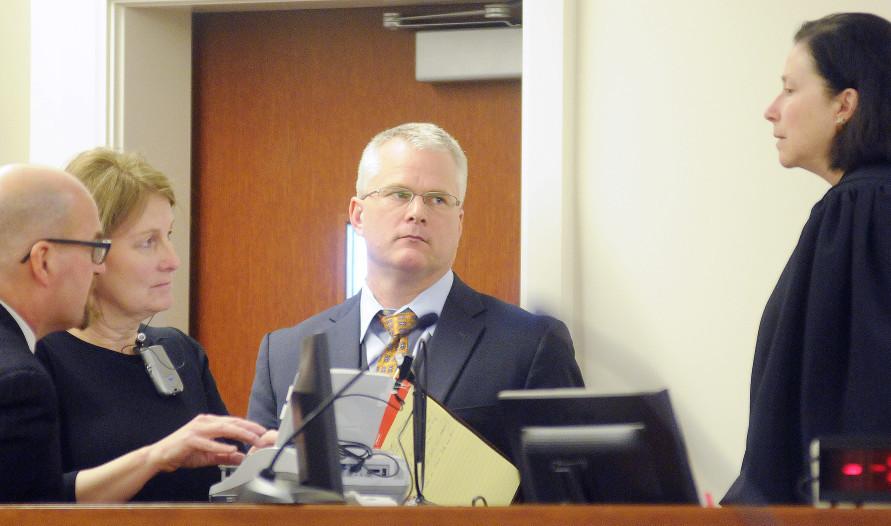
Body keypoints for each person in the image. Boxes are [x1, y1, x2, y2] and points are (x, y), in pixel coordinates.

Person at [247, 122, 584, 456]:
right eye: (399, 194)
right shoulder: (284, 354)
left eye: (438, 199)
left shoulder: (529, 345)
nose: (417, 212)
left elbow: (568, 500)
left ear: (459, 222)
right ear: (358, 215)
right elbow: (254, 501)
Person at [723, 13, 891, 505]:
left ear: (845, 104)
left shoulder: (861, 208)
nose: (771, 110)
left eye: (791, 90)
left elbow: (860, 399)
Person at [36, 148, 267, 503]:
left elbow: (225, 481)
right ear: (91, 252)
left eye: (168, 236)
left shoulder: (180, 350)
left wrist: (267, 461)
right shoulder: (39, 359)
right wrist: (155, 458)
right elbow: (33, 502)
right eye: (148, 242)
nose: (172, 261)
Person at [0, 164, 107, 502]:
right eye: (94, 248)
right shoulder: (19, 384)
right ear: (43, 261)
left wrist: (152, 459)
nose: (100, 266)